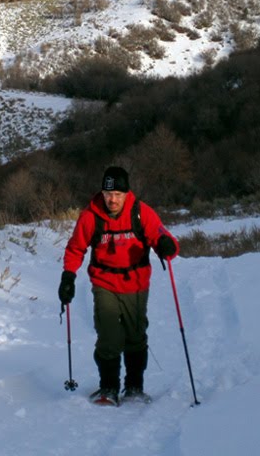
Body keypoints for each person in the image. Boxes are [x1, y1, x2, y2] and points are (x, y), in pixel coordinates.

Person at [58, 166, 179, 406]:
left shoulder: (141, 213)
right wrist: (68, 276)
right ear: (102, 193)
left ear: (126, 193)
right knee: (109, 335)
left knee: (135, 335)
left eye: (117, 194)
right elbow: (75, 248)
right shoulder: (90, 216)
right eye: (107, 194)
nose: (112, 200)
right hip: (104, 282)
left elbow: (164, 238)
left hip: (136, 283)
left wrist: (167, 246)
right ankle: (108, 387)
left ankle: (134, 387)